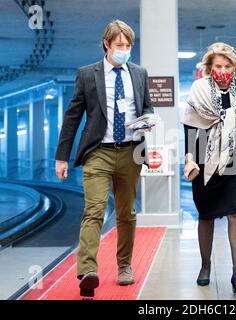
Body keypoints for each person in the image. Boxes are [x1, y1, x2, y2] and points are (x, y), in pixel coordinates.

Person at [55, 20, 153, 297]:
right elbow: (73, 117)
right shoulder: (87, 74)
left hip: (131, 151)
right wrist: (62, 157)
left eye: (128, 45)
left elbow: (146, 107)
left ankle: (124, 266)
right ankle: (88, 271)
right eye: (119, 45)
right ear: (106, 44)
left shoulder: (139, 73)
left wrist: (148, 122)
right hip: (98, 152)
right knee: (94, 210)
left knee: (126, 213)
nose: (124, 50)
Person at [182, 42, 236, 294]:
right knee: (206, 214)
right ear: (209, 67)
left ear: (235, 66)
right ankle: (205, 266)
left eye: (227, 65)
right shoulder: (199, 89)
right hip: (203, 156)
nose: (223, 70)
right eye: (218, 65)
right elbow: (190, 126)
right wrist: (189, 157)